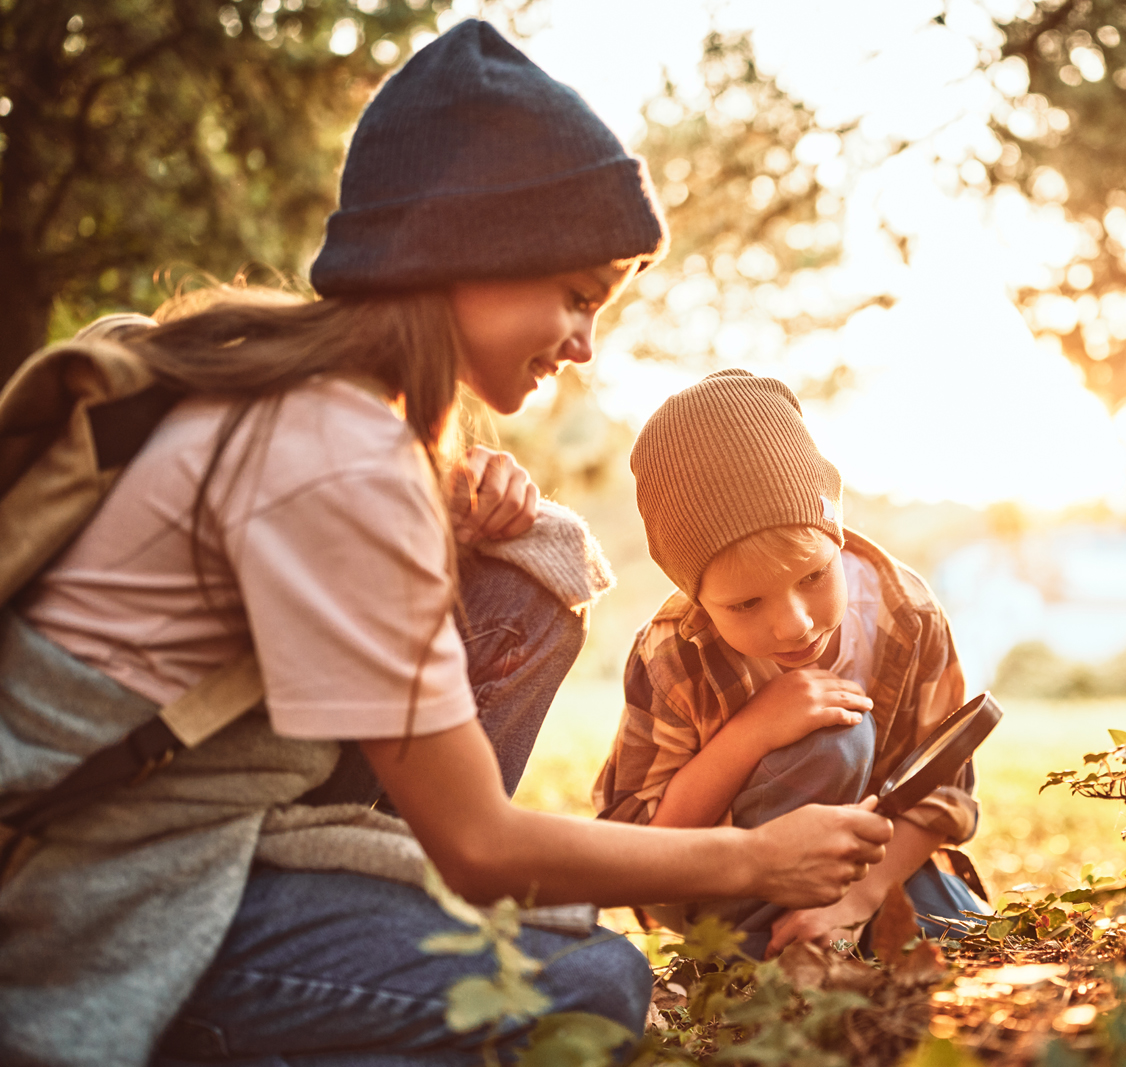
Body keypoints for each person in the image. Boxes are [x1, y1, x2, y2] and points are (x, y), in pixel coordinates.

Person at [0, 22, 890, 1067]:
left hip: (204, 817)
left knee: (530, 565)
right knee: (585, 984)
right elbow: (476, 846)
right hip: (93, 881)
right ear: (469, 253)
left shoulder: (317, 405)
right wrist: (753, 859)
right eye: (576, 295)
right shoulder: (338, 456)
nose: (584, 342)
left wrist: (443, 514)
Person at [594, 370, 990, 961]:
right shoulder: (673, 653)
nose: (794, 625)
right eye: (745, 604)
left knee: (959, 925)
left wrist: (857, 899)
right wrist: (751, 733)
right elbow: (638, 853)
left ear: (835, 535)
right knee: (837, 739)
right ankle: (764, 952)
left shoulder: (907, 617)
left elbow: (943, 791)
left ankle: (831, 931)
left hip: (866, 865)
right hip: (713, 877)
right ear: (698, 598)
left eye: (813, 576)